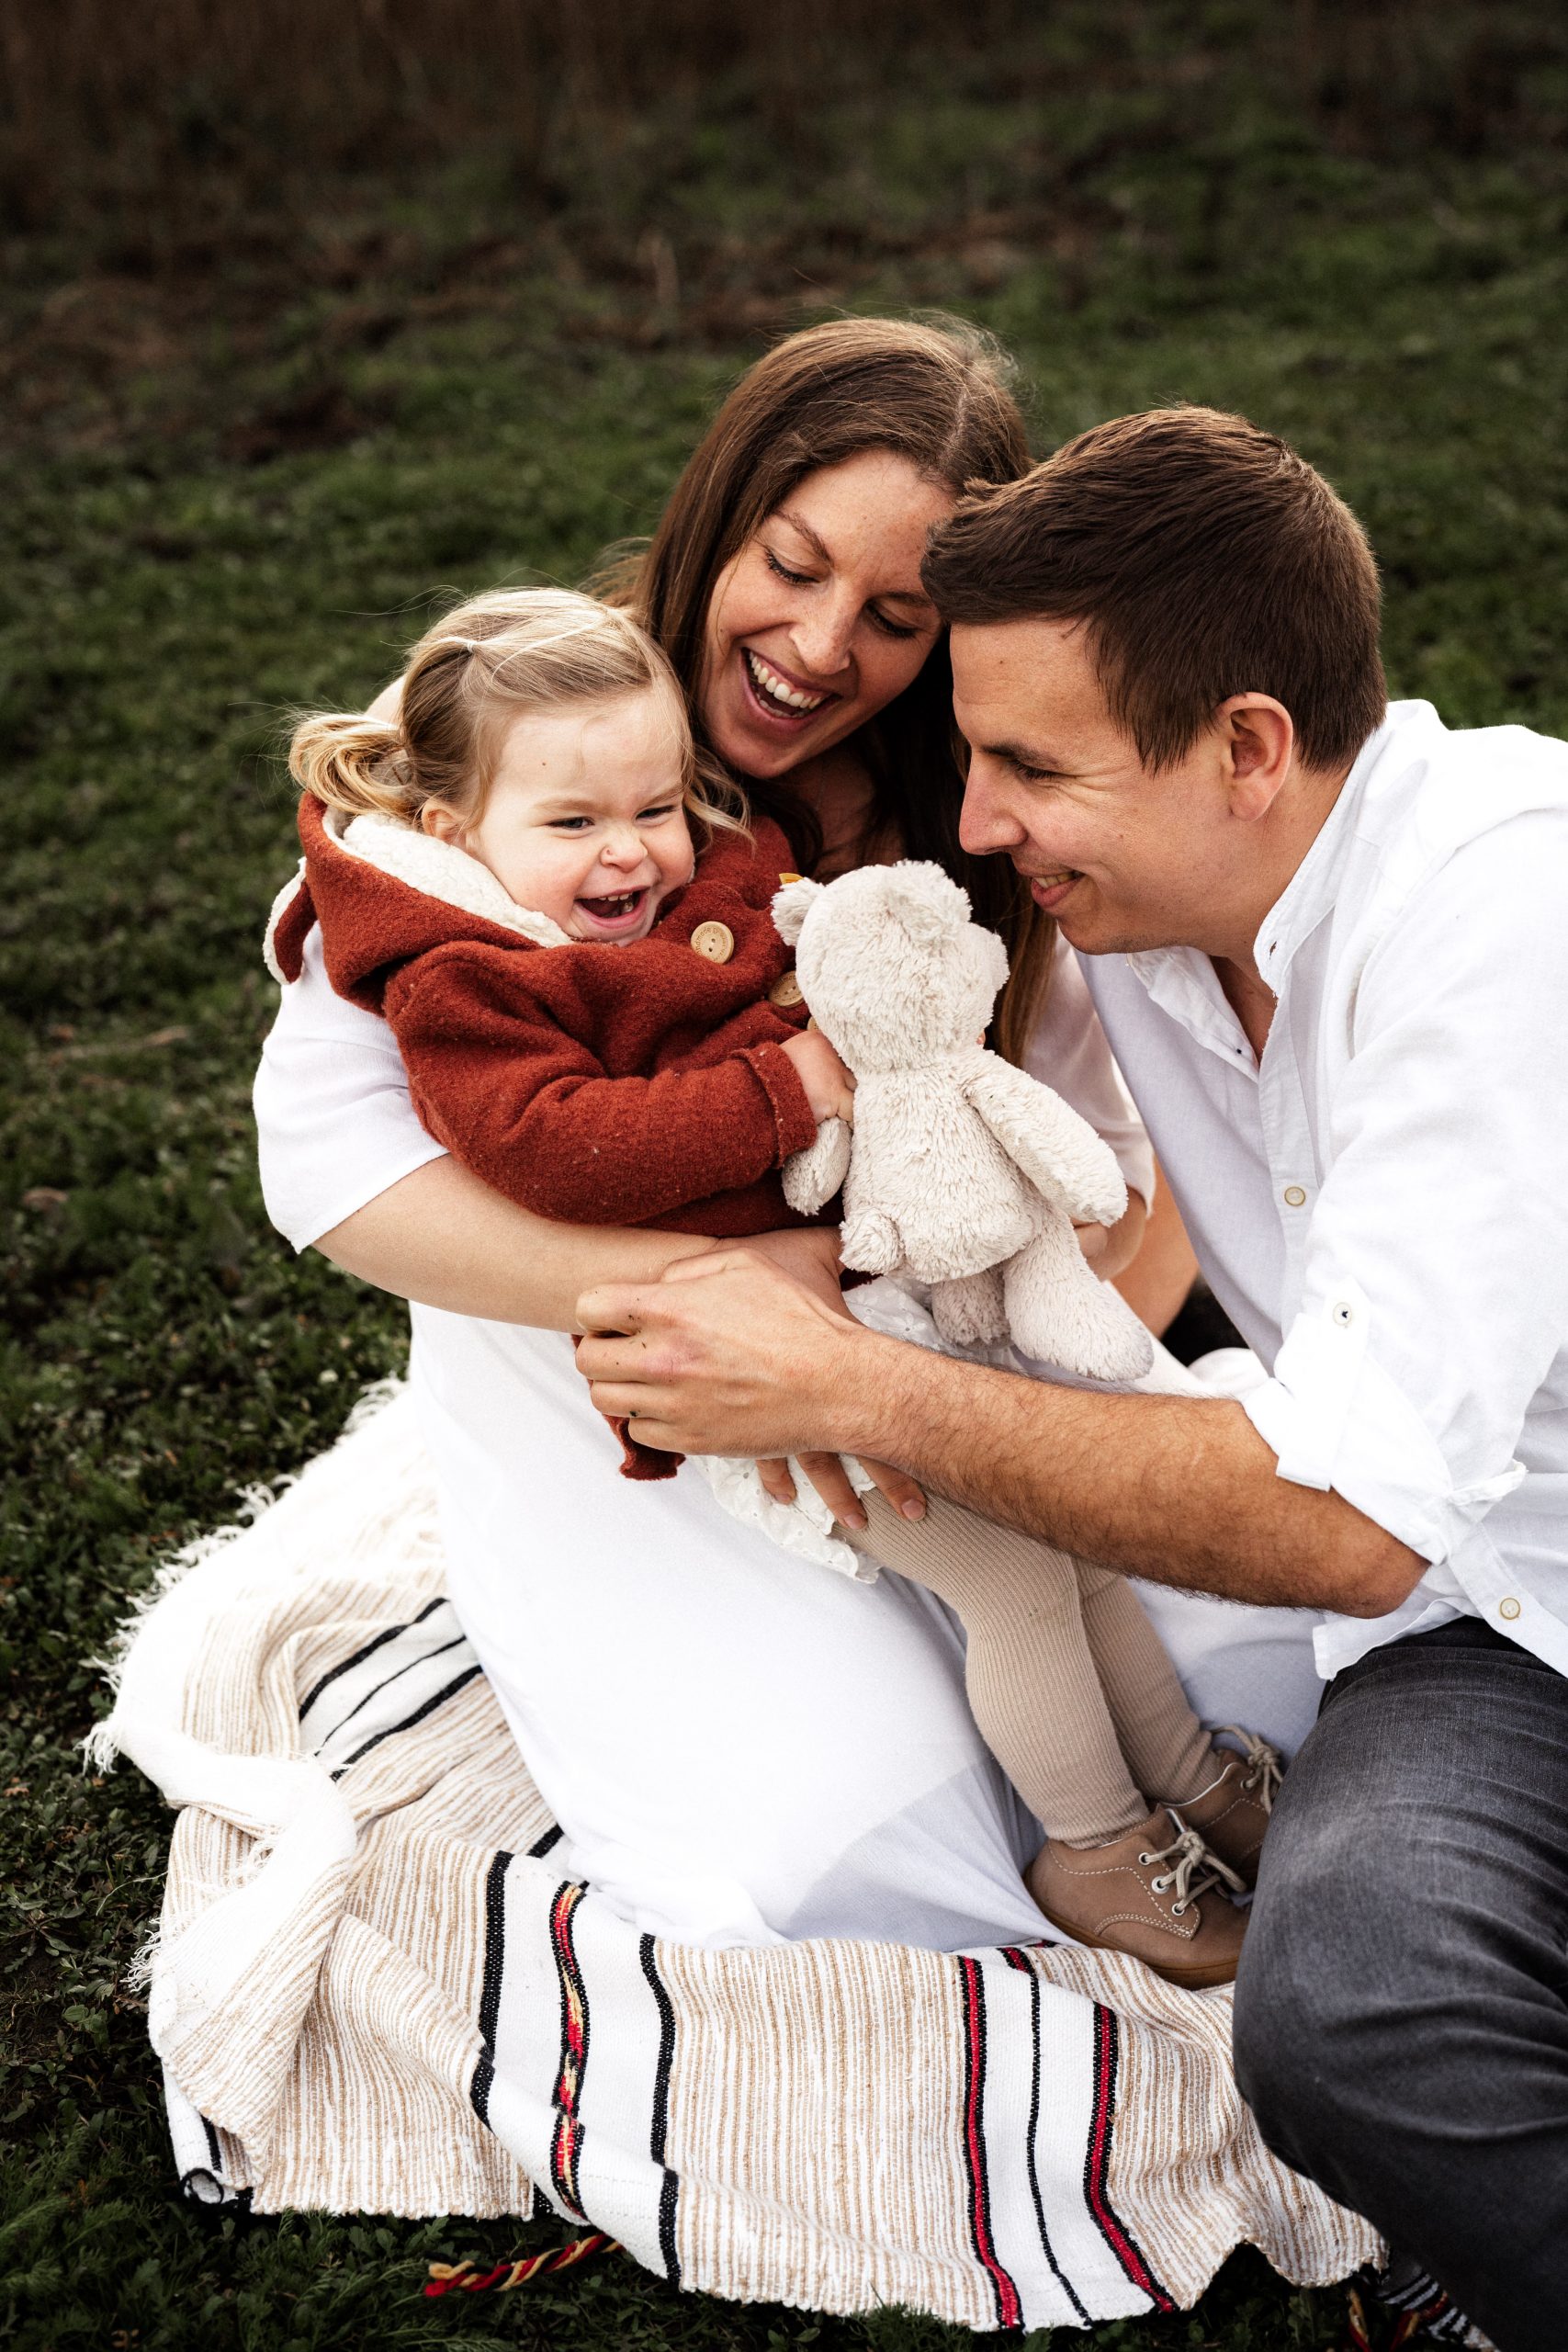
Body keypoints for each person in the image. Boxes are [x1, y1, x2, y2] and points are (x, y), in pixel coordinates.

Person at [573, 404, 1568, 2350]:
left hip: (1401, 1549)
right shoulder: (1150, 905)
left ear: (1248, 748)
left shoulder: (1502, 915)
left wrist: (849, 1385)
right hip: (1482, 1622)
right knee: (1342, 2016)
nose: (978, 824)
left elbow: (1343, 1526)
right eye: (974, 755)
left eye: (1030, 767)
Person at [256, 321, 1326, 1954]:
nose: (823, 648)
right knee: (863, 1854)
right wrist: (730, 1287)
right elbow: (331, 1170)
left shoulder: (982, 804)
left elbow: (1116, 1177)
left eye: (897, 618)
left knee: (1275, 1650)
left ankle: (1167, 1794)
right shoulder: (535, 734)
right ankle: (1099, 1844)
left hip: (920, 1362)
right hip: (632, 1407)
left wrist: (968, 1338)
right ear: (720, 518)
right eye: (793, 565)